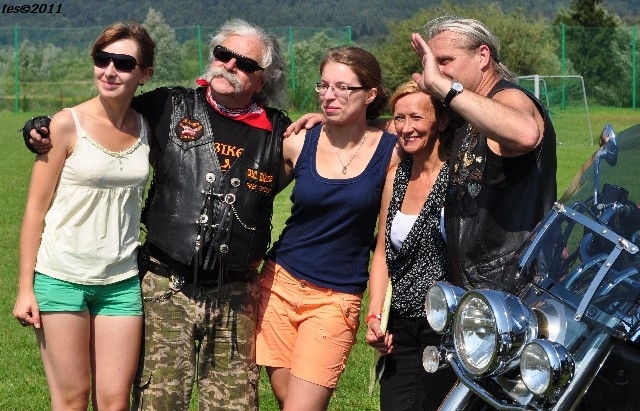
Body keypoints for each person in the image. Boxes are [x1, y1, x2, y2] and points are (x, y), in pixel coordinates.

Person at [22, 18, 292, 411]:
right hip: (165, 285)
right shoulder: (167, 106)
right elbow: (106, 106)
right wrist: (40, 126)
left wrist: (330, 121)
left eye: (245, 63)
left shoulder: (283, 133)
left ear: (264, 78)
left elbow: (337, 147)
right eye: (223, 54)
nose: (230, 65)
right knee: (154, 403)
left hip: (233, 294)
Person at [13, 22, 154, 410]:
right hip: (61, 277)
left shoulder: (147, 127)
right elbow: (35, 209)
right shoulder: (64, 124)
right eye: (102, 59)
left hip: (121, 283)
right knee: (72, 399)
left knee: (115, 402)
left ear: (144, 74)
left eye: (123, 63)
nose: (109, 71)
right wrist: (25, 288)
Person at [256, 46, 402, 411]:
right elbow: (254, 196)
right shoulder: (298, 141)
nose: (329, 95)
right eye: (324, 85)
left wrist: (374, 310)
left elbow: (383, 245)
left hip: (336, 299)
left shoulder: (392, 151)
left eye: (343, 88)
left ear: (370, 94)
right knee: (287, 399)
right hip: (279, 285)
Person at [410, 15, 557, 292]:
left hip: (516, 283)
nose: (435, 71)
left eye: (444, 60)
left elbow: (526, 133)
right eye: (430, 63)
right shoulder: (466, 109)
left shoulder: (509, 96)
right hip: (477, 286)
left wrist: (443, 87)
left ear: (482, 56)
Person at [365, 80, 457, 411]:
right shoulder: (397, 177)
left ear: (441, 122)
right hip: (400, 325)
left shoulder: (458, 177)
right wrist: (375, 313)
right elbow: (381, 252)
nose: (406, 128)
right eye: (399, 118)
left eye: (416, 117)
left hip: (446, 322)